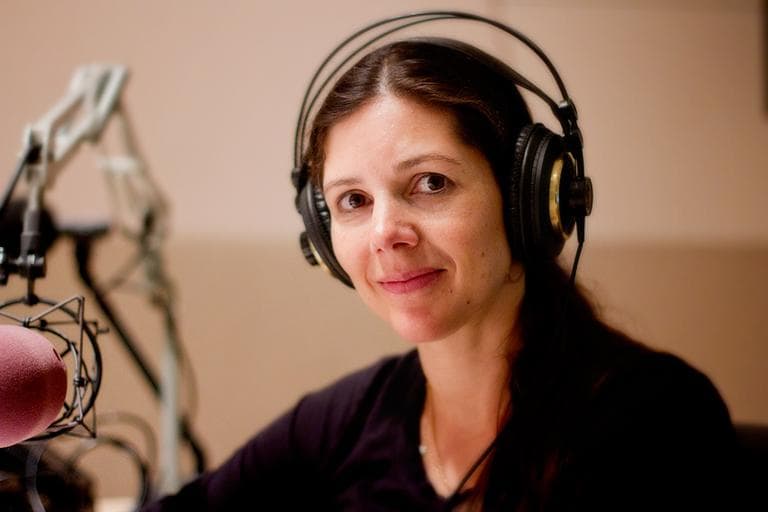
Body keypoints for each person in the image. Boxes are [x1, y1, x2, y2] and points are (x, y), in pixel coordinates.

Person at [142, 16, 741, 512]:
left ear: (529, 200)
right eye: (353, 201)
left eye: (431, 183)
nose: (385, 234)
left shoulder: (658, 420)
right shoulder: (343, 423)